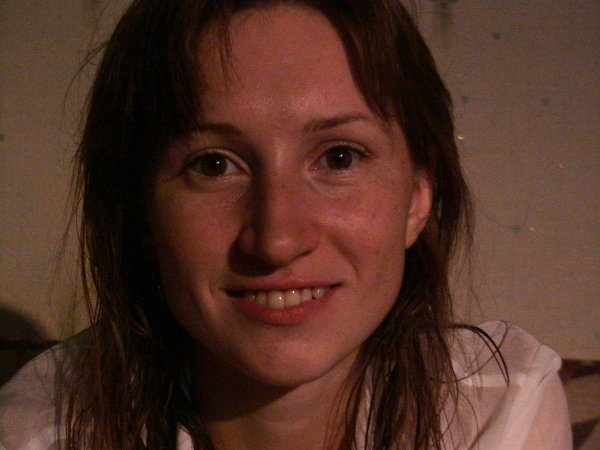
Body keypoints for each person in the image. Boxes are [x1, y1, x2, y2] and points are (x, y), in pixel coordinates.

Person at [0, 0, 572, 448]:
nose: (277, 239)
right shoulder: (41, 430)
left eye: (340, 158)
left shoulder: (499, 404)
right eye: (214, 165)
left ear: (418, 198)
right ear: (140, 212)